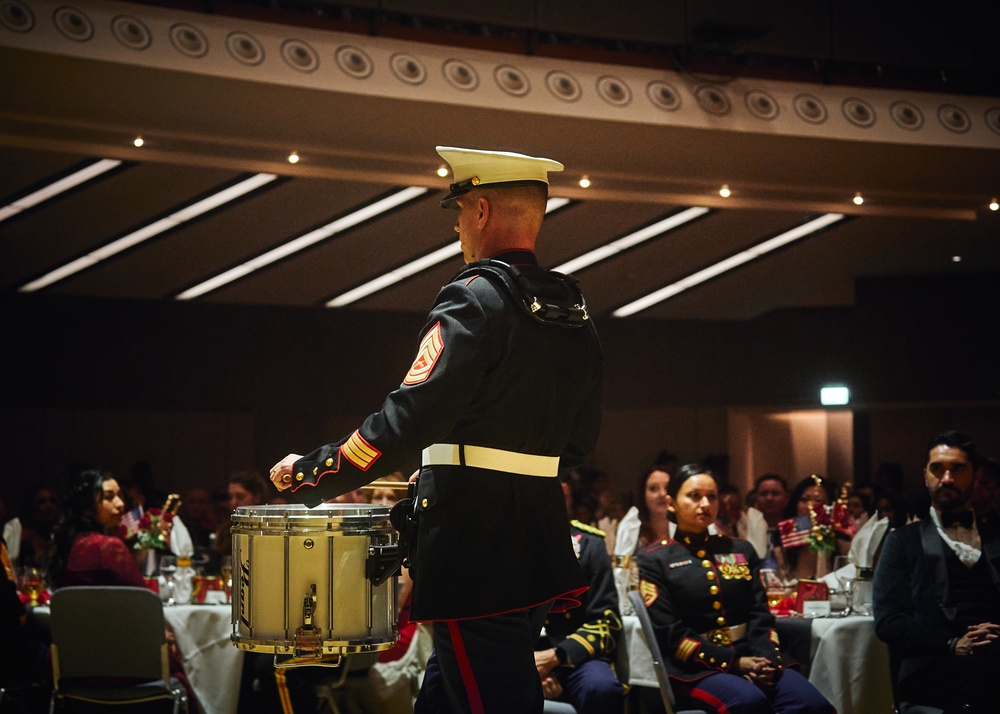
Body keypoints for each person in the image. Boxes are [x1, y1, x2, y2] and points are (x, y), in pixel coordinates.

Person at [269, 145, 602, 714]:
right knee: (450, 696)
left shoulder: (475, 297)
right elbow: (577, 443)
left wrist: (312, 473)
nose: (455, 226)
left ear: (479, 212)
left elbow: (407, 417)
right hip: (536, 535)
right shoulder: (570, 308)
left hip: (474, 546)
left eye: (458, 210)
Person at [634, 463, 834, 714]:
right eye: (694, 496)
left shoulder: (740, 550)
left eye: (711, 497)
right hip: (697, 667)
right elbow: (671, 634)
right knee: (749, 703)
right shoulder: (656, 560)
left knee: (811, 704)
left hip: (754, 654)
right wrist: (735, 663)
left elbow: (760, 615)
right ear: (672, 503)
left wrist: (767, 661)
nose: (705, 504)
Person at [873, 430, 1000, 712]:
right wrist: (953, 643)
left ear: (975, 475)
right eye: (937, 469)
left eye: (958, 469)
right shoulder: (902, 541)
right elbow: (888, 621)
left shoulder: (996, 536)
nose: (946, 478)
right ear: (925, 475)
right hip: (933, 663)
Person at [534, 479, 625, 713]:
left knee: (602, 688)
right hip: (521, 656)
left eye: (560, 496)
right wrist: (529, 668)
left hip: (576, 656)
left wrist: (557, 656)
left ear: (570, 500)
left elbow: (606, 621)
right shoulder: (509, 545)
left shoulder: (590, 546)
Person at [48, 469, 147, 588]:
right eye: (109, 497)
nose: (120, 503)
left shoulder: (72, 541)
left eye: (120, 495)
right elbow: (142, 596)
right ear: (87, 508)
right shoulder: (107, 545)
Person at [2, 485, 62, 570]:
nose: (49, 505)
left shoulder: (59, 536)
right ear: (32, 507)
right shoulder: (18, 534)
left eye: (52, 501)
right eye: (42, 502)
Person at [744, 474, 789, 571]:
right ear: (755, 497)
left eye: (775, 493)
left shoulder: (793, 529)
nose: (769, 498)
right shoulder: (744, 527)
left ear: (786, 497)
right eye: (763, 494)